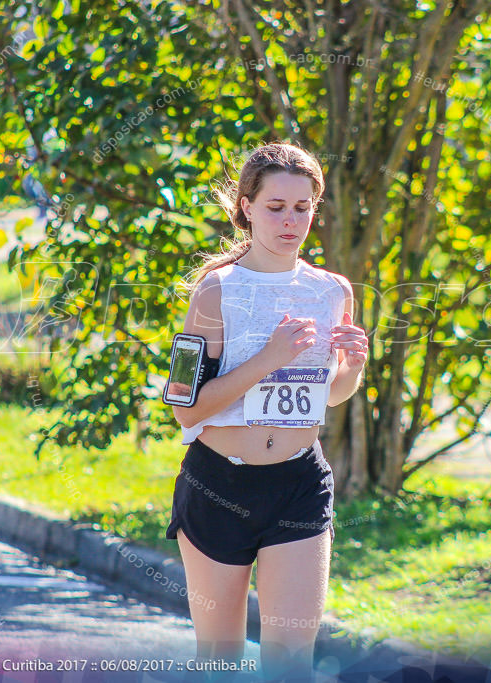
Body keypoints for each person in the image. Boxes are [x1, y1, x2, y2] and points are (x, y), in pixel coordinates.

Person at [165, 143, 368, 681]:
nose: (291, 221)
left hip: (300, 483)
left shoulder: (332, 291)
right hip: (218, 487)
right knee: (221, 664)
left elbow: (332, 394)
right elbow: (184, 409)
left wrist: (353, 365)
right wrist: (267, 359)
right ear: (247, 207)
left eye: (303, 208)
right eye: (276, 207)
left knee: (289, 663)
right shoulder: (214, 293)